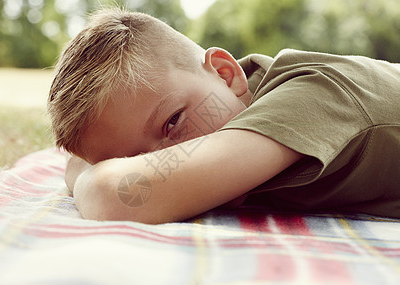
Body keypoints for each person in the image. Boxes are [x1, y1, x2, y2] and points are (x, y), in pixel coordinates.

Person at [47, 7, 400, 224]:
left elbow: (117, 196)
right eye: (132, 160)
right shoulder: (219, 96)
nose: (166, 161)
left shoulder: (313, 95)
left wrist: (108, 176)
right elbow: (77, 163)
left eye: (173, 122)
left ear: (226, 73)